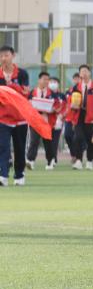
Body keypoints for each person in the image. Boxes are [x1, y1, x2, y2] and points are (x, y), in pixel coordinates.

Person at [0, 45, 31, 186]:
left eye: (6, 55)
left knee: (19, 148)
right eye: (1, 56)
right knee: (3, 147)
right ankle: (3, 176)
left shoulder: (22, 74)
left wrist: (10, 85)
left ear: (12, 56)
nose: (3, 58)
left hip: (20, 118)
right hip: (3, 118)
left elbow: (26, 94)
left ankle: (19, 175)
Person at [70, 65, 93, 170]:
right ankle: (78, 161)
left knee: (91, 140)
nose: (84, 73)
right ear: (80, 74)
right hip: (79, 115)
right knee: (78, 137)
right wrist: (72, 110)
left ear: (89, 73)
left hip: (92, 116)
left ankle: (90, 161)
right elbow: (71, 102)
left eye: (86, 71)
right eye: (82, 71)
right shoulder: (76, 87)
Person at [27, 72, 63, 170]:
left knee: (48, 142)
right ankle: (30, 160)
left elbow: (58, 106)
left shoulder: (52, 94)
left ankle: (50, 160)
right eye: (44, 79)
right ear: (39, 80)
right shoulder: (32, 92)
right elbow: (27, 104)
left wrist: (53, 109)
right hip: (35, 121)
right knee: (34, 141)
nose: (46, 81)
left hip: (47, 121)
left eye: (48, 79)